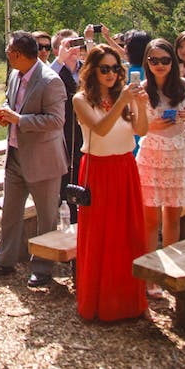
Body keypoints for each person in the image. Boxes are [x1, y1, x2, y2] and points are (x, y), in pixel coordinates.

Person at [0, 31, 67, 288]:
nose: (6, 53)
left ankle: (42, 267)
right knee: (10, 213)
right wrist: (5, 113)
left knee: (46, 217)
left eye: (8, 50)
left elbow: (56, 121)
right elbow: (11, 101)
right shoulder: (15, 74)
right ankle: (4, 262)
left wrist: (19, 120)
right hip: (15, 156)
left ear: (17, 54)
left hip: (43, 161)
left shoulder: (51, 81)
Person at [71, 43, 149, 322]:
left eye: (116, 69)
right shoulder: (81, 99)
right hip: (99, 171)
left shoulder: (123, 99)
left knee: (129, 234)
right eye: (105, 68)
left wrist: (138, 103)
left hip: (125, 167)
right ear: (92, 70)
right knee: (102, 237)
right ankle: (100, 304)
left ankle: (130, 302)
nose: (112, 74)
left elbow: (141, 131)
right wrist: (123, 101)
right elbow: (100, 130)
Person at [135, 39, 185, 298]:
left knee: (173, 217)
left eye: (165, 60)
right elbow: (137, 128)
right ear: (147, 62)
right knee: (150, 219)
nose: (159, 65)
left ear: (173, 62)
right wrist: (155, 126)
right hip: (151, 152)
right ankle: (150, 276)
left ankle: (169, 274)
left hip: (178, 153)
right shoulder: (141, 89)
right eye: (154, 60)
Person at [51, 31, 86, 196]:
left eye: (76, 43)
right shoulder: (52, 69)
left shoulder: (87, 68)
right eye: (67, 45)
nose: (73, 49)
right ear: (56, 50)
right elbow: (43, 80)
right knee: (63, 173)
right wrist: (60, 61)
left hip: (85, 129)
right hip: (61, 131)